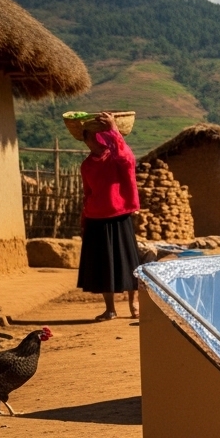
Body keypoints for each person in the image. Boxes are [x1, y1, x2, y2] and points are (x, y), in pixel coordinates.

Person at [76, 112, 140, 321]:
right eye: (93, 135)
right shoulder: (87, 165)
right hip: (96, 218)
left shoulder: (116, 158)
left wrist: (114, 130)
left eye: (102, 135)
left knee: (129, 262)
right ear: (86, 139)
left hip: (119, 216)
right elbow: (88, 193)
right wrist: (84, 217)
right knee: (104, 265)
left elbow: (128, 159)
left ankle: (134, 303)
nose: (97, 139)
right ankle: (110, 309)